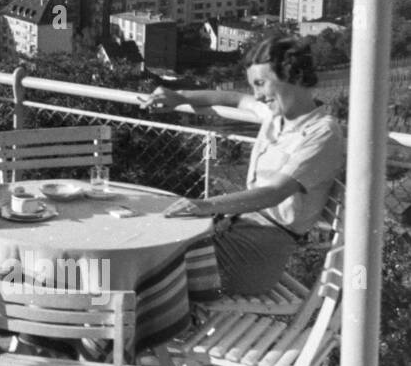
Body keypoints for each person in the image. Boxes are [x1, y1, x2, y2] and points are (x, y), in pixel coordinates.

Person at [142, 36, 344, 297]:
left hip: (255, 257)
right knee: (150, 244)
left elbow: (275, 192)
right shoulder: (275, 116)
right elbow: (236, 99)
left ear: (293, 76)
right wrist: (178, 96)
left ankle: (113, 333)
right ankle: (108, 330)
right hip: (233, 234)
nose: (257, 94)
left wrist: (205, 205)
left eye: (261, 84)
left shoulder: (322, 132)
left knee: (153, 265)